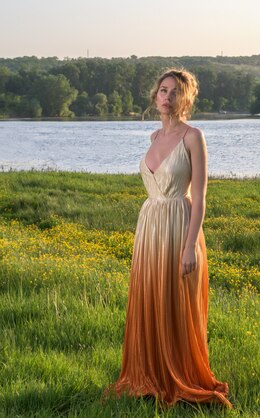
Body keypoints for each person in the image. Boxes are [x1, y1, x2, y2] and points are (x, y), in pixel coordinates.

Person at [103, 68, 232, 409]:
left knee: (177, 302)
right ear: (154, 95)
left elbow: (201, 198)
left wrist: (190, 245)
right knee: (151, 299)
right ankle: (150, 375)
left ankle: (182, 377)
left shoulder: (193, 136)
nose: (167, 97)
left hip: (179, 225)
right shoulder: (153, 138)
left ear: (186, 98)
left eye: (175, 92)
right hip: (149, 227)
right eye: (163, 90)